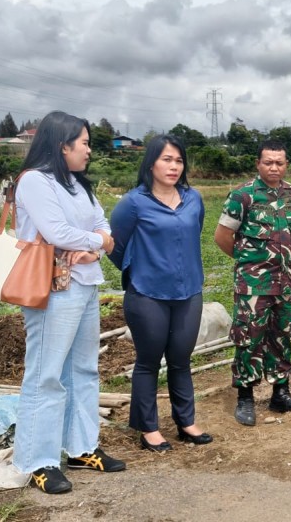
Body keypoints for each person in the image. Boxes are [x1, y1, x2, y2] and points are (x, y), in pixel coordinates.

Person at [13, 111, 125, 494]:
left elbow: (103, 225)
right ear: (63, 145)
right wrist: (98, 243)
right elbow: (57, 232)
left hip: (86, 284)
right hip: (53, 288)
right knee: (46, 375)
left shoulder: (78, 184)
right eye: (85, 142)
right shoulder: (34, 181)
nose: (89, 150)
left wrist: (95, 247)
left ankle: (81, 447)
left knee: (83, 370)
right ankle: (39, 461)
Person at [108, 135, 212, 451]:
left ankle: (186, 423)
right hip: (147, 294)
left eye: (179, 160)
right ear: (151, 162)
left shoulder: (193, 198)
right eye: (166, 159)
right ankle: (148, 428)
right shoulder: (133, 203)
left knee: (180, 359)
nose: (173, 166)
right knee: (149, 361)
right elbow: (116, 246)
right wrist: (140, 270)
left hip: (189, 292)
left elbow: (194, 233)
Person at [215, 139, 291, 426]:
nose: (274, 167)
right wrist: (248, 264)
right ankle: (245, 397)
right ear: (258, 164)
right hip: (253, 285)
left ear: (286, 164)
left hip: (286, 283)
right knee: (248, 338)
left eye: (279, 162)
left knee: (282, 335)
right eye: (268, 162)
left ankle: (280, 392)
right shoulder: (242, 196)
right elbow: (222, 237)